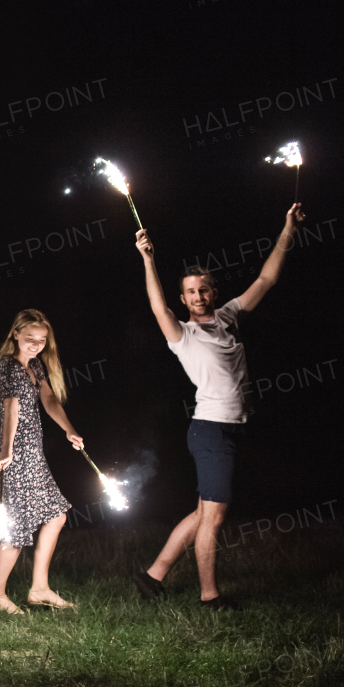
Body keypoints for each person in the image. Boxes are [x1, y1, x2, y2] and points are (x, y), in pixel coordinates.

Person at [131, 203, 305, 610]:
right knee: (215, 517)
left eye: (203, 289)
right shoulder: (183, 334)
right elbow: (158, 307)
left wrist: (288, 229)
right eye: (190, 291)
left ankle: (152, 576)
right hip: (209, 430)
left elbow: (266, 278)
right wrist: (148, 259)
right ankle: (210, 596)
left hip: (232, 428)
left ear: (214, 291)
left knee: (202, 512)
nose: (198, 296)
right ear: (184, 298)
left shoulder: (228, 317)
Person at [0, 309, 83, 614]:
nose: (36, 344)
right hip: (14, 457)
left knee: (56, 515)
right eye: (30, 339)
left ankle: (39, 589)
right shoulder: (8, 366)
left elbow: (50, 399)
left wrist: (69, 429)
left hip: (33, 457)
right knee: (16, 529)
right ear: (15, 334)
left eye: (41, 340)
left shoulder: (34, 366)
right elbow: (12, 408)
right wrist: (7, 450)